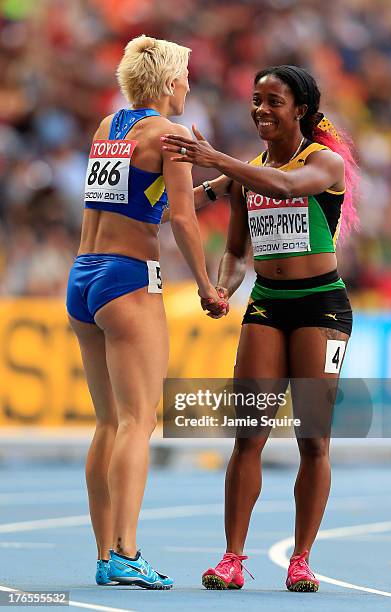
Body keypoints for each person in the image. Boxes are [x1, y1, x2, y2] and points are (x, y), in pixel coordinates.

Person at [161, 64, 359, 592]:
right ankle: (231, 557)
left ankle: (301, 558)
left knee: (312, 440)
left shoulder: (324, 163)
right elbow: (234, 252)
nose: (261, 110)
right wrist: (222, 288)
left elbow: (287, 183)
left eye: (274, 101)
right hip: (268, 306)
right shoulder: (246, 175)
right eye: (255, 100)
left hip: (322, 310)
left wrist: (216, 164)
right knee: (248, 435)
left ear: (301, 110)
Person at [66, 35, 228, 589]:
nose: (188, 84)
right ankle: (128, 551)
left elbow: (142, 206)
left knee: (109, 422)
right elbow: (180, 220)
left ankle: (105, 554)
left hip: (84, 277)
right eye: (184, 76)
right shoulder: (174, 135)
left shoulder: (107, 130)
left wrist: (211, 187)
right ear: (165, 83)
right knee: (140, 421)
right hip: (130, 281)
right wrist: (207, 285)